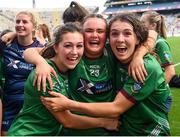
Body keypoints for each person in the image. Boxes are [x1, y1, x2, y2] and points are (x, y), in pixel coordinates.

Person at [24, 13, 157, 135]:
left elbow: (151, 33)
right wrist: (41, 62)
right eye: (89, 31)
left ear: (106, 36)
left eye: (100, 31)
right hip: (76, 131)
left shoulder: (112, 51)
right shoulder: (73, 53)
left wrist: (139, 55)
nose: (94, 35)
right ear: (82, 33)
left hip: (110, 130)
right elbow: (30, 51)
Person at [8, 22, 119, 136]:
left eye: (79, 46)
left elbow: (32, 51)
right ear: (56, 47)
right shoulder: (47, 75)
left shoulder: (67, 68)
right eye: (68, 46)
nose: (74, 52)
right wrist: (104, 122)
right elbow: (68, 121)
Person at [0, 11, 44, 135]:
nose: (20, 24)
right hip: (9, 105)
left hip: (32, 107)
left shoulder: (42, 48)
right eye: (18, 21)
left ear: (34, 27)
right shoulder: (6, 45)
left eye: (25, 22)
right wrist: (12, 34)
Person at [141, 11, 180, 88]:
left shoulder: (160, 43)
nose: (140, 25)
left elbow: (170, 72)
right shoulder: (146, 41)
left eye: (143, 23)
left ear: (153, 25)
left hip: (156, 94)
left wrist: (155, 89)